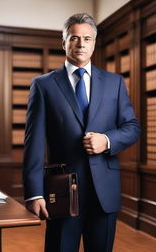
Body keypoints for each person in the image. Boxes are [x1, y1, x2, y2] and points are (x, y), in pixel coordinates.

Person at [23, 13, 140, 252]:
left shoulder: (114, 83)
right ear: (63, 42)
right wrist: (34, 193)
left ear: (94, 42)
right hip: (62, 192)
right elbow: (33, 144)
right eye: (74, 38)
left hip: (104, 193)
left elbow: (132, 128)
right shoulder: (43, 85)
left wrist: (107, 140)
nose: (81, 44)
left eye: (87, 38)